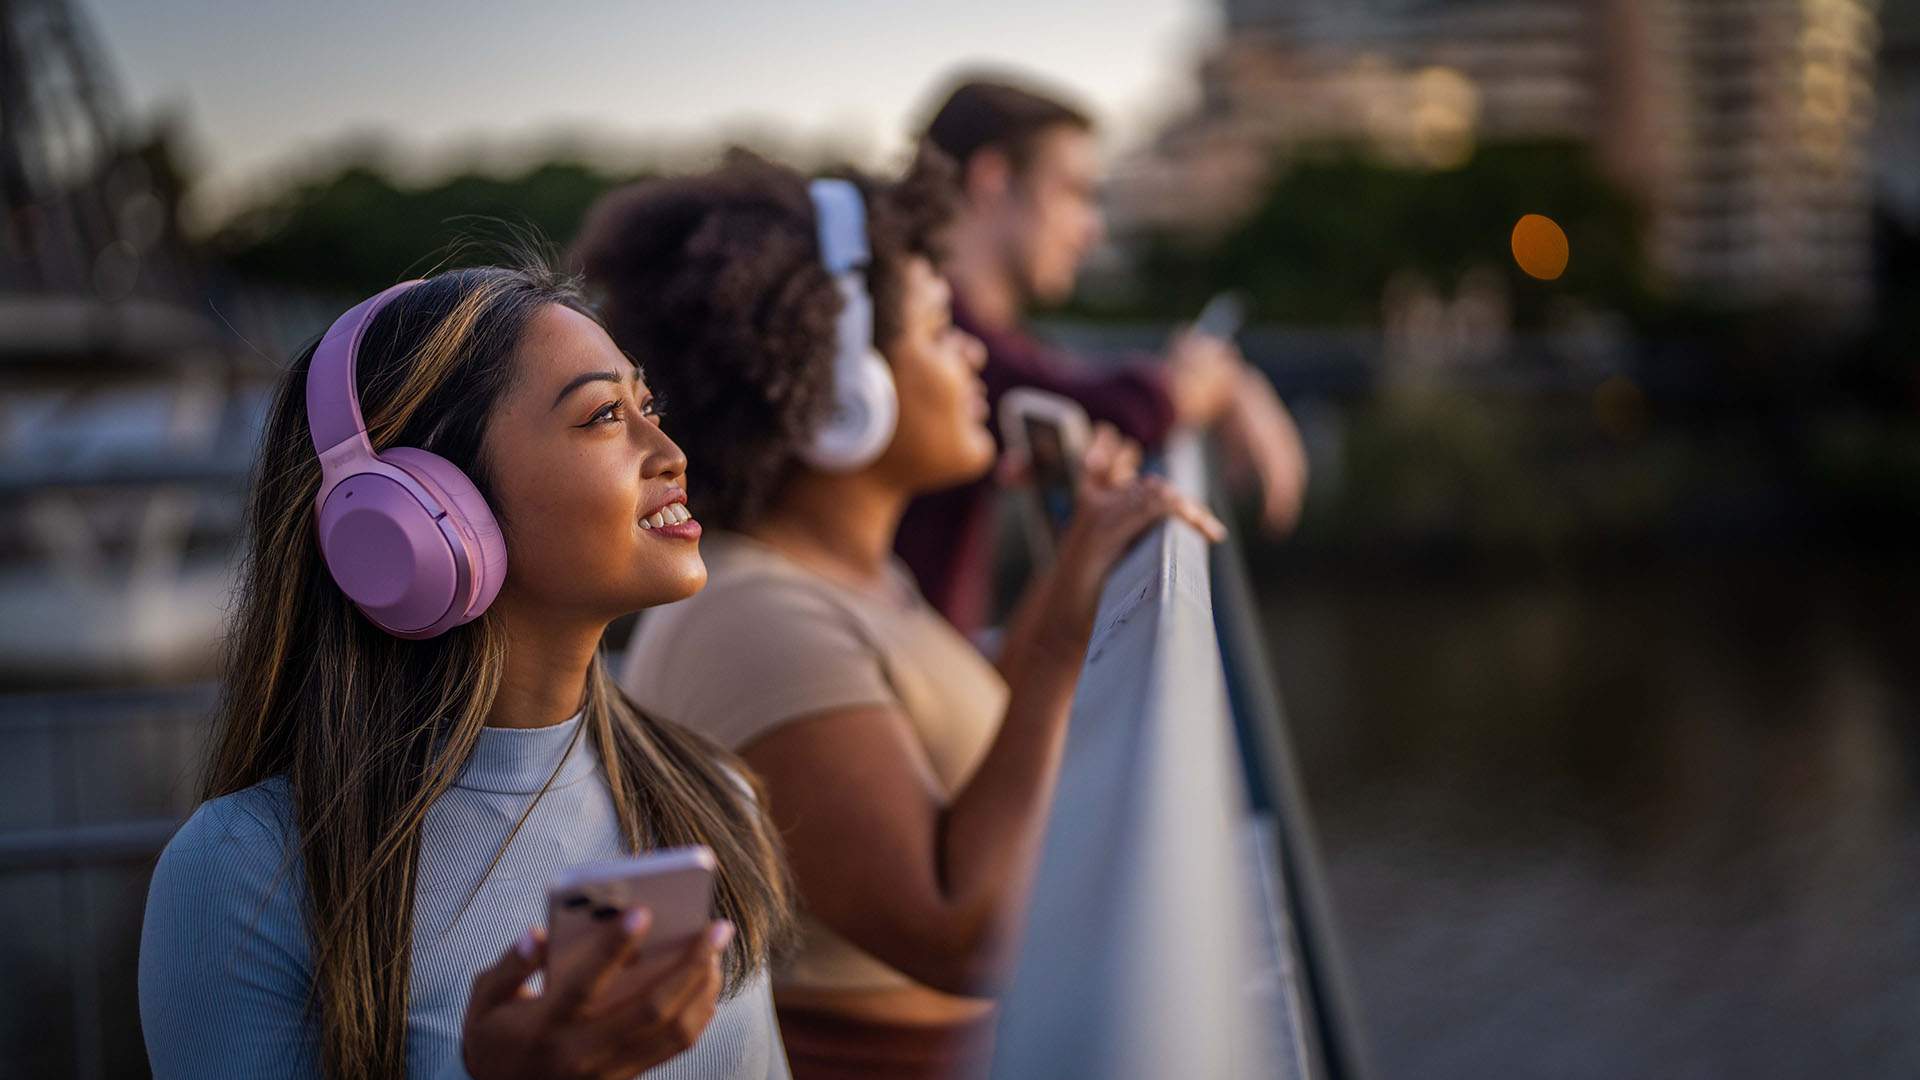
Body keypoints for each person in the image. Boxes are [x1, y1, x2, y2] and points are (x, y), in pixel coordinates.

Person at [574, 150, 1224, 1079]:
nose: (970, 354)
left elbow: (953, 782)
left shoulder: (855, 583)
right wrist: (1058, 637)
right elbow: (967, 932)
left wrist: (1070, 582)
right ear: (843, 391)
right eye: (937, 328)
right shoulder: (754, 617)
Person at [138, 264, 794, 1079]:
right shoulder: (244, 873)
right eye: (603, 416)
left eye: (648, 407)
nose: (669, 453)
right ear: (416, 510)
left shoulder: (712, 794)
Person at [896, 74, 1312, 635]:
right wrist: (1210, 384)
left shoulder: (971, 331)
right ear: (993, 178)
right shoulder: (916, 329)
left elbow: (1059, 381)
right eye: (1074, 193)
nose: (1091, 230)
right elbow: (1094, 403)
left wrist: (1225, 380)